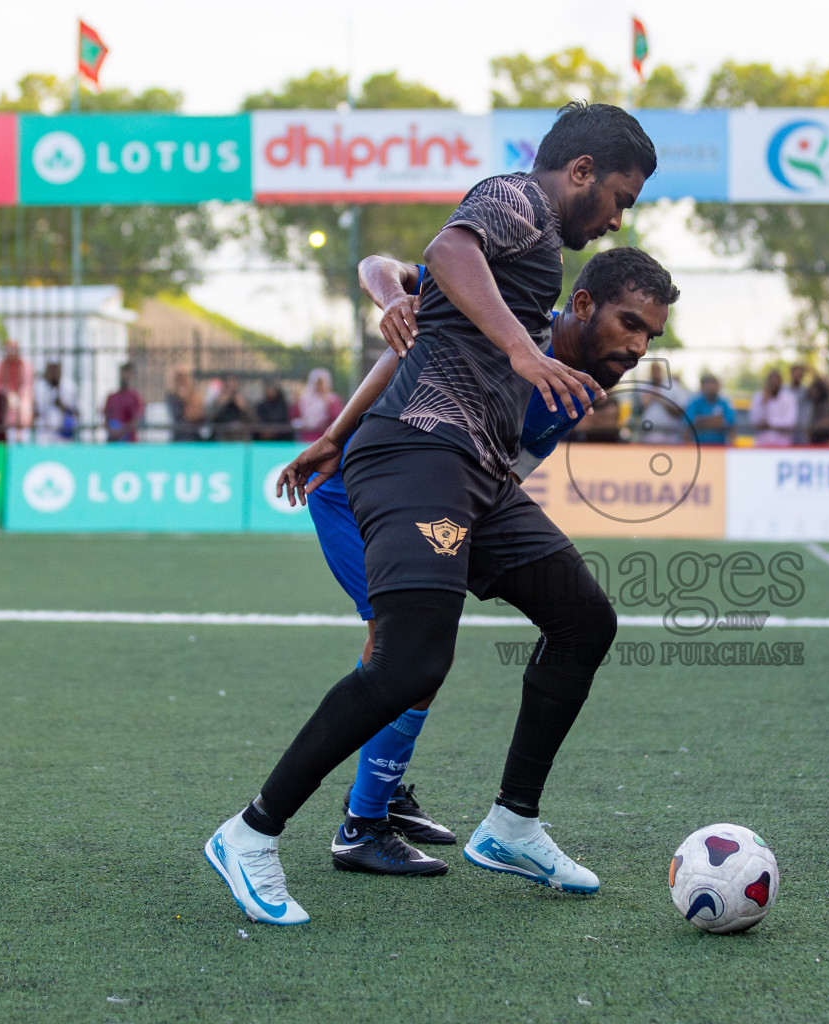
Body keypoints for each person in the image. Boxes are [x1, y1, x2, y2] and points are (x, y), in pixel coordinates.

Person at [204, 100, 656, 926]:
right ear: (581, 171)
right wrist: (522, 349)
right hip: (418, 457)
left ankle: (512, 825)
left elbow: (417, 332)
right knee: (411, 662)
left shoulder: (539, 260)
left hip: (473, 478)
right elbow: (443, 250)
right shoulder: (520, 199)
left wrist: (334, 432)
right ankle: (252, 832)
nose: (619, 216)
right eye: (619, 196)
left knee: (586, 620)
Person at [274, 246, 679, 877]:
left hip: (449, 497)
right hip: (358, 492)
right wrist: (393, 304)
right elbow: (384, 270)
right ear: (580, 305)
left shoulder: (586, 381)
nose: (639, 346)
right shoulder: (512, 326)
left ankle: (385, 793)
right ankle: (361, 824)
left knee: (450, 647)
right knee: (404, 650)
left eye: (650, 335)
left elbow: (498, 463)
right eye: (630, 323)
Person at [632, 361, 690, 445]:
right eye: (653, 369)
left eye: (657, 369)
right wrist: (644, 405)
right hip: (648, 434)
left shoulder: (674, 386)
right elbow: (635, 413)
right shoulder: (642, 387)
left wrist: (662, 400)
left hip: (670, 434)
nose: (655, 372)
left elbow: (681, 412)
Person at [0, 340, 34, 443]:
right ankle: (11, 439)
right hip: (4, 399)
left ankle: (23, 437)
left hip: (22, 399)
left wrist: (19, 397)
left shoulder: (25, 366)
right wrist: (8, 394)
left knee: (25, 405)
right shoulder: (0, 366)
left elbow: (27, 386)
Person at [748, 369, 796, 446]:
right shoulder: (759, 396)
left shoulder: (788, 398)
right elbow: (754, 420)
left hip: (782, 444)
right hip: (763, 443)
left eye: (776, 380)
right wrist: (763, 403)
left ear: (781, 382)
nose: (774, 383)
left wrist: (770, 424)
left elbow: (790, 422)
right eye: (771, 380)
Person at [33, 361, 76, 444]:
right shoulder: (39, 386)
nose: (54, 372)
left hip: (64, 434)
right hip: (44, 434)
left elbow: (77, 411)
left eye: (56, 368)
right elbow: (36, 410)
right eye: (51, 368)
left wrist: (62, 405)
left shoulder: (69, 386)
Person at [294, 368, 342, 442]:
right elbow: (296, 416)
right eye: (317, 382)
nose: (319, 385)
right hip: (306, 436)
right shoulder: (305, 399)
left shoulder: (333, 400)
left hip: (325, 437)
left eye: (321, 382)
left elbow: (336, 418)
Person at [687, 374, 735, 445]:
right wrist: (716, 421)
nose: (712, 387)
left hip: (720, 447)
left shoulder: (724, 403)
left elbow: (730, 425)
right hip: (698, 446)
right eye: (708, 384)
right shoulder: (694, 402)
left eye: (714, 384)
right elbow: (688, 426)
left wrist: (702, 422)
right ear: (702, 386)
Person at [103, 364, 143, 443]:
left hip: (129, 444)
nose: (124, 377)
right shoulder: (111, 397)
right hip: (112, 443)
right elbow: (106, 419)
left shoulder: (135, 397)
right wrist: (113, 432)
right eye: (123, 374)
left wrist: (121, 431)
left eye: (128, 374)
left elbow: (136, 421)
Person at [166, 369, 207, 442]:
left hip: (195, 435)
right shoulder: (172, 396)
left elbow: (201, 416)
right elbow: (178, 414)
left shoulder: (195, 394)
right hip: (179, 435)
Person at [210, 375, 253, 442]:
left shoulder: (243, 399)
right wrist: (220, 405)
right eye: (228, 385)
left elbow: (252, 419)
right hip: (223, 434)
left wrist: (243, 407)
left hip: (240, 435)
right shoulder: (218, 400)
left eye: (233, 385)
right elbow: (212, 419)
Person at [806, 375, 829, 445]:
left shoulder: (827, 405)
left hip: (826, 439)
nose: (814, 393)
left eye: (816, 391)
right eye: (813, 391)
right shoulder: (809, 405)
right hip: (812, 440)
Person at [785, 364, 812, 444]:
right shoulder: (783, 390)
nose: (797, 376)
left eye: (800, 374)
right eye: (796, 373)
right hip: (784, 432)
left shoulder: (806, 392)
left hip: (801, 431)